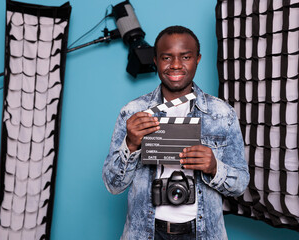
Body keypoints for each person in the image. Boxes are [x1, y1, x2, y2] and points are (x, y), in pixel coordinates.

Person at [102, 25, 250, 240]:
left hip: (203, 232)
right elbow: (113, 185)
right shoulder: (133, 112)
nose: (176, 65)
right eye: (166, 58)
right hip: (145, 232)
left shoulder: (222, 114)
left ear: (198, 59)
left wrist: (215, 168)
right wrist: (131, 144)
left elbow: (240, 185)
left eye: (186, 57)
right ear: (155, 60)